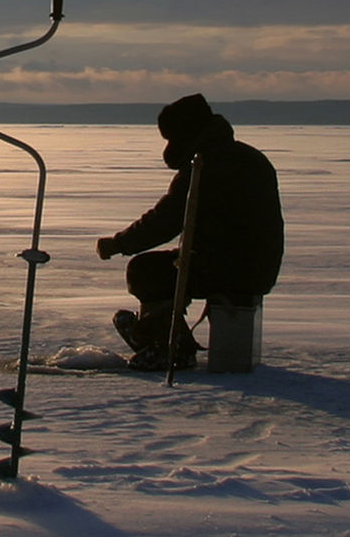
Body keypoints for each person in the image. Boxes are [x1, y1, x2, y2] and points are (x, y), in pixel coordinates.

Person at [96, 94, 282, 369]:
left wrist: (118, 244)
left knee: (145, 271)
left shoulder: (205, 165)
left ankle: (170, 346)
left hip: (228, 267)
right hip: (256, 266)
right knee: (173, 265)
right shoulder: (249, 157)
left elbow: (166, 220)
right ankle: (166, 336)